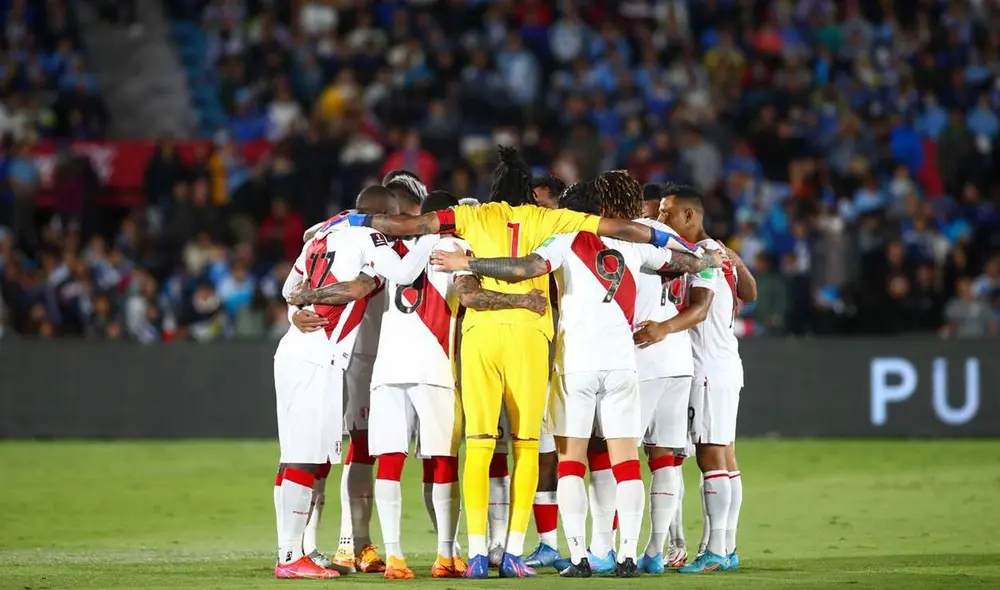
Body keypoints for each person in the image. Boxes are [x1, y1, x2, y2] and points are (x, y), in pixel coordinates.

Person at [330, 147, 687, 579]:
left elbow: (408, 224)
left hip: (481, 337)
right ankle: (516, 551)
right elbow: (622, 229)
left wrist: (353, 220)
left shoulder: (473, 217)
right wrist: (669, 240)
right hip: (531, 336)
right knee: (527, 448)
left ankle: (478, 553)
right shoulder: (550, 219)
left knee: (479, 445)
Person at [432, 171, 720, 578]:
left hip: (575, 365)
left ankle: (580, 557)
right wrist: (709, 260)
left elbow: (521, 268)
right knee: (626, 465)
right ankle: (625, 557)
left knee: (570, 464)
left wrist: (469, 262)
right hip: (622, 362)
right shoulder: (631, 241)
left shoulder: (562, 240)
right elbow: (684, 263)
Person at [292, 190, 547, 579]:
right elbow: (471, 296)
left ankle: (394, 557)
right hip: (435, 370)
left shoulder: (390, 247)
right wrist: (521, 301)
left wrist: (302, 300)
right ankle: (446, 554)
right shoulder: (457, 245)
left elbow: (358, 285)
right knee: (442, 463)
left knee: (390, 463)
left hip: (387, 372)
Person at [284, 186, 430, 574]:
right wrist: (434, 236)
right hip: (344, 355)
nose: (404, 224)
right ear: (381, 215)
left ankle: (309, 548)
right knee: (317, 453)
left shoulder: (326, 231)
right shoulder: (372, 237)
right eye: (398, 216)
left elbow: (289, 289)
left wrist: (297, 306)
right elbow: (401, 272)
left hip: (319, 349)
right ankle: (302, 551)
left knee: (313, 452)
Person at [651, 189, 745, 573]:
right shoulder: (718, 253)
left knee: (710, 458)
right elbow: (748, 292)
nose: (660, 218)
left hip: (706, 368)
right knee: (726, 457)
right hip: (724, 363)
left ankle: (716, 553)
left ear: (689, 215)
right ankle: (726, 546)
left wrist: (663, 328)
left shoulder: (704, 256)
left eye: (665, 212)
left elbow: (700, 309)